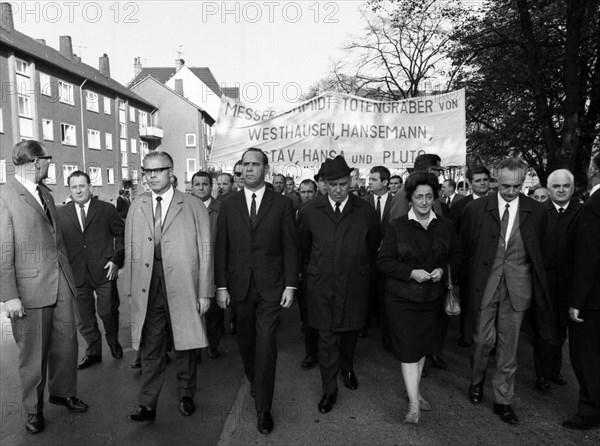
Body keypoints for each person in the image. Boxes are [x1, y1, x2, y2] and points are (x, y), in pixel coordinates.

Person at [118, 151, 213, 422]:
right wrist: (130, 290)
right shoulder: (137, 205)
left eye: (157, 171)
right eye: (147, 171)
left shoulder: (193, 205)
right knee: (151, 347)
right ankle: (147, 404)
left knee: (185, 343)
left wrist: (205, 291)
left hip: (184, 285)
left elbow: (206, 251)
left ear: (171, 172)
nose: (151, 176)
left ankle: (186, 394)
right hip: (149, 288)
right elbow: (130, 250)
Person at [1, 140, 88, 434]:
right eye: (48, 160)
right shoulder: (5, 195)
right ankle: (32, 410)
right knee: (33, 354)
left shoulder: (46, 194)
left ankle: (63, 392)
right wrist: (9, 296)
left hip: (60, 281)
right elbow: (2, 250)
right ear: (37, 162)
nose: (51, 165)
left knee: (66, 343)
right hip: (29, 289)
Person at [462, 158, 557, 425]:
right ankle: (476, 381)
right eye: (505, 185)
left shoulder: (536, 212)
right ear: (495, 179)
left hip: (518, 288)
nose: (511, 191)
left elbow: (542, 254)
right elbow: (468, 250)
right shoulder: (477, 209)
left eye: (517, 186)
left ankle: (503, 399)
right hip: (486, 286)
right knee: (482, 340)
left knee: (509, 346)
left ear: (523, 181)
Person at [215, 148, 298, 434]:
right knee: (247, 342)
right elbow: (221, 248)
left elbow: (290, 246)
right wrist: (221, 286)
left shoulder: (283, 204)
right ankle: (253, 377)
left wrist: (290, 284)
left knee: (266, 345)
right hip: (239, 287)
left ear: (265, 168)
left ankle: (263, 407)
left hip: (271, 288)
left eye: (254, 165)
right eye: (245, 165)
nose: (248, 169)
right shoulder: (228, 204)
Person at [298, 156, 381, 414]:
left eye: (343, 184)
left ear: (351, 181)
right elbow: (303, 247)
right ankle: (328, 390)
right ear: (324, 184)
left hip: (354, 281)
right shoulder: (311, 210)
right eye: (332, 184)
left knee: (349, 331)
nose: (338, 189)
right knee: (325, 335)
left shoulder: (365, 211)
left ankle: (347, 368)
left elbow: (372, 245)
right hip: (320, 284)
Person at [377, 171, 461, 424]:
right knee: (408, 350)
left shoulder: (446, 226)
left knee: (422, 348)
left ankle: (415, 392)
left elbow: (458, 257)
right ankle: (413, 403)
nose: (424, 202)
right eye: (418, 197)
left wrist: (442, 270)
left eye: (428, 197)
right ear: (410, 199)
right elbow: (383, 261)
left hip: (433, 299)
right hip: (402, 299)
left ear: (435, 198)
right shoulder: (397, 226)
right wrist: (410, 273)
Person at [388, 153, 450, 370]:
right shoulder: (402, 198)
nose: (438, 177)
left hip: (434, 286)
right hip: (409, 287)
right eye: (436, 172)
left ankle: (429, 353)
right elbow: (395, 234)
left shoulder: (436, 198)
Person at [58, 171, 125, 369]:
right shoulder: (61, 213)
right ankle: (93, 352)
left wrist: (115, 260)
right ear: (69, 189)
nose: (78, 190)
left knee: (108, 312)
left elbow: (122, 235)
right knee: (84, 318)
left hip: (105, 271)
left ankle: (113, 342)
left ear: (90, 187)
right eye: (74, 187)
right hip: (76, 274)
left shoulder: (106, 209)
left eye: (82, 186)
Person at [533, 169, 581, 392]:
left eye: (565, 186)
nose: (561, 190)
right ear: (549, 188)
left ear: (572, 188)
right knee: (542, 329)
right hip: (543, 282)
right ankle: (541, 374)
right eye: (556, 186)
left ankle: (555, 370)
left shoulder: (581, 212)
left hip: (570, 284)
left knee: (562, 330)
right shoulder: (538, 212)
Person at [563, 153, 600, 430]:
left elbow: (588, 257)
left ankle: (590, 410)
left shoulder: (593, 206)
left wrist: (576, 301)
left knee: (586, 357)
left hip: (592, 301)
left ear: (592, 169)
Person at [450, 166, 492, 347]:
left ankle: (488, 339)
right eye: (477, 180)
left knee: (489, 302)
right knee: (468, 301)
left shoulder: (498, 202)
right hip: (468, 263)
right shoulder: (460, 205)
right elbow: (453, 232)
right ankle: (466, 335)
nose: (482, 183)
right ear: (470, 183)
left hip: (492, 263)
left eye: (485, 179)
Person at [190, 170, 223, 359]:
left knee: (213, 311)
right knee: (191, 309)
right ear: (192, 187)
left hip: (214, 267)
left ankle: (213, 343)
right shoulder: (184, 208)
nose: (201, 187)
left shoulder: (222, 209)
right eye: (197, 184)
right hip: (191, 267)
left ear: (212, 187)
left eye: (205, 184)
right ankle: (194, 347)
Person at [362, 166, 393, 348]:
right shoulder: (362, 202)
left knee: (385, 295)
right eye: (369, 179)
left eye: (373, 179)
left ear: (385, 182)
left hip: (388, 258)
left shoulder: (398, 202)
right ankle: (362, 325)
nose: (369, 182)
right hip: (366, 256)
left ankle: (387, 335)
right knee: (365, 292)